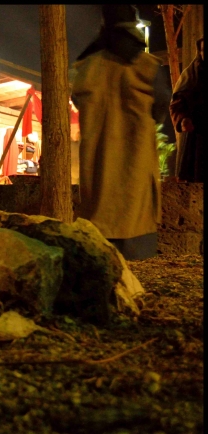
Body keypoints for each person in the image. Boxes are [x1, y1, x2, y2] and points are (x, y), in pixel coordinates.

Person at [72, 5, 171, 260]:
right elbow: (161, 104)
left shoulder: (87, 68)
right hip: (134, 166)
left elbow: (77, 100)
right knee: (136, 232)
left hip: (98, 167)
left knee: (99, 245)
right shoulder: (147, 67)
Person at [170, 37, 205, 183]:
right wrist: (183, 119)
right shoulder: (192, 74)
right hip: (198, 139)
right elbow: (177, 102)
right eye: (203, 50)